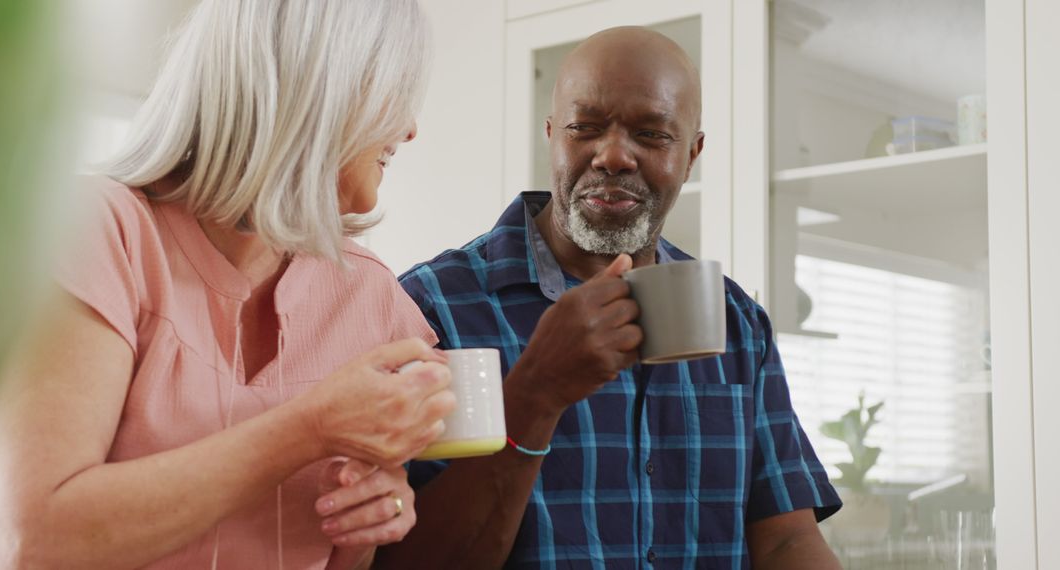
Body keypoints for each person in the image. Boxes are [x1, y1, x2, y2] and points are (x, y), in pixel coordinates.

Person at [0, 1, 456, 569]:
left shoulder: (371, 295)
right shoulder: (96, 230)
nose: (410, 127)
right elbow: (32, 541)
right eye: (396, 91)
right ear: (320, 86)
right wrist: (309, 428)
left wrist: (369, 519)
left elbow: (338, 554)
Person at [346, 26, 843, 569]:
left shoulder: (737, 321)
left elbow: (787, 539)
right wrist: (536, 389)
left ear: (693, 153)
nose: (613, 157)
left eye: (652, 135)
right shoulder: (429, 308)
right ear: (552, 135)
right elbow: (405, 560)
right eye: (585, 128)